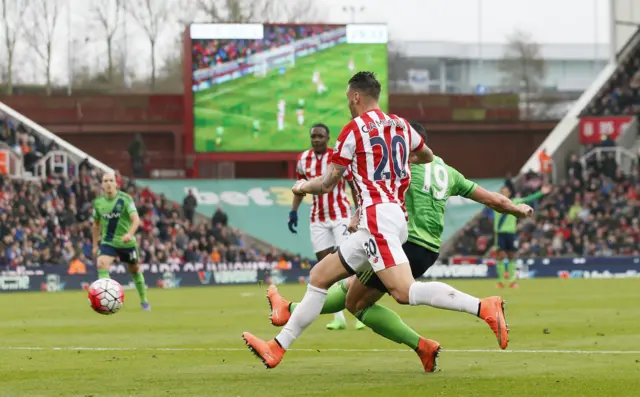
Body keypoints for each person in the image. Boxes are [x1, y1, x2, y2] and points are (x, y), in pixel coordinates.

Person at [266, 122, 534, 371]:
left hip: (401, 242)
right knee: (351, 290)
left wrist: (359, 215)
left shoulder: (404, 167)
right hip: (428, 249)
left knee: (359, 300)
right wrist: (516, 210)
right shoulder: (448, 172)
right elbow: (491, 200)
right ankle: (425, 346)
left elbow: (382, 194)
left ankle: (478, 309)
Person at [242, 71, 444, 369]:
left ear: (356, 96)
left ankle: (479, 306)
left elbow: (329, 183)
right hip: (381, 222)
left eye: (349, 98)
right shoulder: (399, 127)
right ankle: (280, 339)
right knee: (329, 280)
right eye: (314, 136)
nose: (348, 103)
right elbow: (428, 157)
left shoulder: (354, 132)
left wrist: (315, 194)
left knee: (392, 294)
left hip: (368, 222)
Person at [288, 123, 365, 331]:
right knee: (324, 267)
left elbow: (352, 185)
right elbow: (299, 188)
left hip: (340, 216)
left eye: (320, 136)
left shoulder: (337, 156)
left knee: (348, 263)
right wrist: (294, 211)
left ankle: (359, 310)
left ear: (328, 137)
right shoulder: (303, 159)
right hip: (317, 219)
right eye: (313, 136)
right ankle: (338, 318)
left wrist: (360, 211)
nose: (316, 140)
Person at [92, 172, 150, 311]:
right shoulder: (98, 202)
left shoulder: (125, 199)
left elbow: (136, 220)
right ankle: (106, 301)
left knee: (135, 269)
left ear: (116, 183)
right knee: (101, 264)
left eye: (111, 180)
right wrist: (95, 245)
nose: (108, 183)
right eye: (105, 181)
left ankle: (144, 301)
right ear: (102, 184)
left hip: (126, 243)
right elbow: (96, 225)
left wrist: (130, 234)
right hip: (108, 242)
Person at [494, 184, 550, 288]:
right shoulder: (495, 202)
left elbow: (528, 199)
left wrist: (541, 193)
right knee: (500, 256)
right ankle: (500, 281)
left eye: (506, 191)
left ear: (509, 193)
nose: (504, 193)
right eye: (503, 191)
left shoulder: (514, 201)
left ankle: (512, 281)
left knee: (511, 256)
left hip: (510, 233)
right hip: (500, 233)